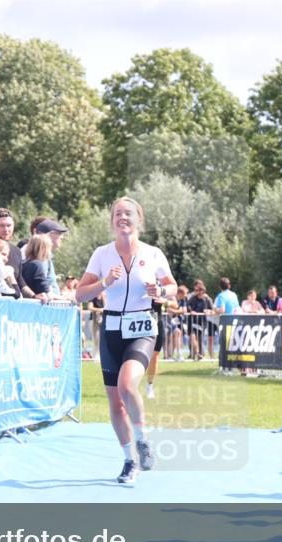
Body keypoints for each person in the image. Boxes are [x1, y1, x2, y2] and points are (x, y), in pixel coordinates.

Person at [75, 196, 176, 484]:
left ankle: (143, 441)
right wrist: (104, 283)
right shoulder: (102, 254)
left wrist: (161, 291)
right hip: (111, 329)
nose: (123, 217)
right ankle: (129, 460)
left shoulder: (153, 254)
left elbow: (172, 287)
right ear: (112, 221)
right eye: (117, 213)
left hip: (143, 326)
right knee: (115, 402)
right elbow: (80, 294)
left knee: (126, 383)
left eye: (128, 213)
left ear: (138, 220)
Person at [0, 207, 32, 298]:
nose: (6, 230)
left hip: (12, 305)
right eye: (1, 225)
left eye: (9, 225)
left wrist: (34, 296)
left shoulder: (16, 251)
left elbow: (20, 281)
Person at [187, 279, 214, 360]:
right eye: (197, 290)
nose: (198, 292)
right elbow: (188, 306)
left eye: (199, 290)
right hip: (193, 321)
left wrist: (208, 311)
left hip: (202, 322)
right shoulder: (193, 298)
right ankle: (197, 353)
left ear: (203, 291)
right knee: (192, 336)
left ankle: (201, 354)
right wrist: (191, 311)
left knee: (200, 338)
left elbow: (212, 309)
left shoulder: (207, 299)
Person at [20, 234, 54, 301]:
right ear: (43, 249)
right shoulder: (37, 265)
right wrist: (67, 298)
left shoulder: (23, 263)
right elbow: (46, 293)